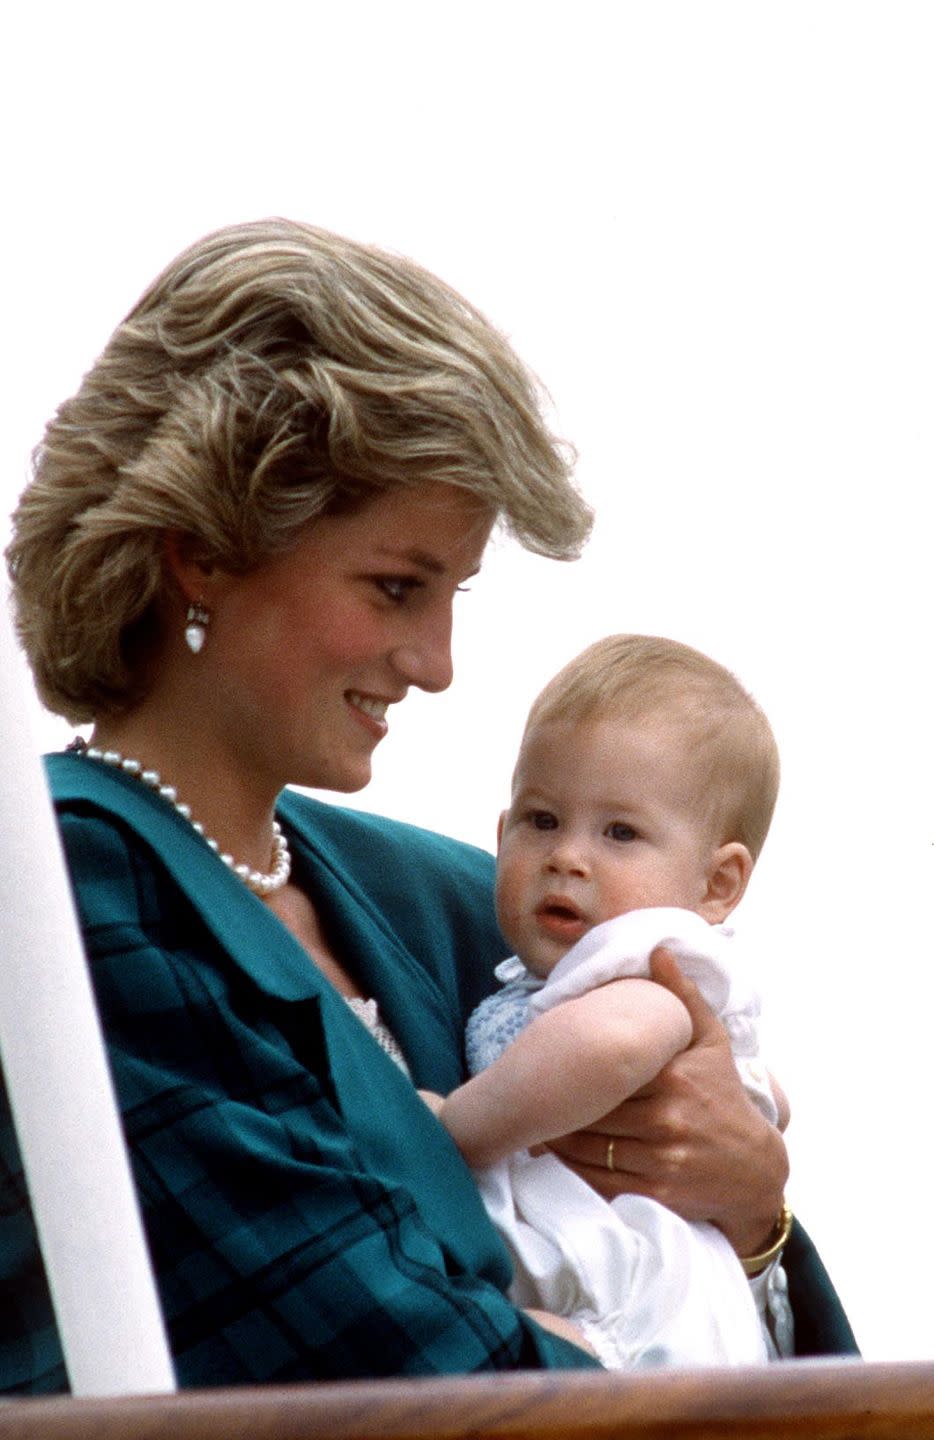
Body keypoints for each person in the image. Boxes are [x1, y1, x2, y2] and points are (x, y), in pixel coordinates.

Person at [0, 220, 854, 1393]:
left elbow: (759, 1338)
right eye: (397, 587)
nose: (438, 662)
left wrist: (753, 1211)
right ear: (202, 553)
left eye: (453, 593)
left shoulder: (461, 901)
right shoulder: (66, 894)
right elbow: (382, 1357)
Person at [430, 634, 808, 1368]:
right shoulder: (574, 974)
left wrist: (454, 1127)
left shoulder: (648, 958)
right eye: (541, 820)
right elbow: (769, 1100)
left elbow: (612, 1046)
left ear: (717, 884)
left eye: (621, 833)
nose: (568, 855)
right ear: (500, 832)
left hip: (635, 1307)